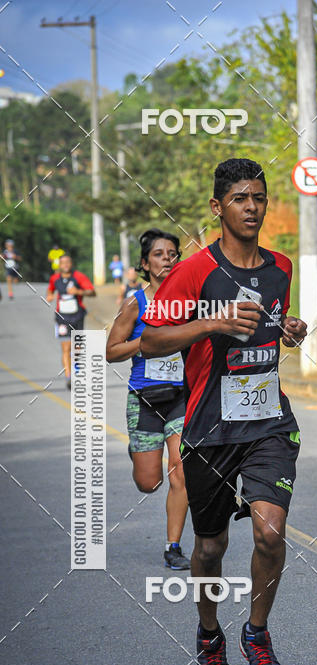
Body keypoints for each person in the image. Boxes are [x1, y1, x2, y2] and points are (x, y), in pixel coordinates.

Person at [140, 158, 307, 665]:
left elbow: (272, 325)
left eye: (258, 197)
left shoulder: (280, 266)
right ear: (218, 207)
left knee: (270, 531)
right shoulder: (194, 272)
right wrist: (213, 321)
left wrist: (290, 330)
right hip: (210, 430)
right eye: (240, 198)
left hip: (268, 422)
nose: (251, 207)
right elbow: (151, 341)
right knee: (210, 549)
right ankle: (209, 635)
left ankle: (256, 633)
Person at [106, 229, 191, 571]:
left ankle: (173, 546)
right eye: (159, 254)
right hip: (144, 400)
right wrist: (146, 343)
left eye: (172, 253)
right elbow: (111, 351)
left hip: (181, 398)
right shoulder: (135, 303)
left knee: (180, 472)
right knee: (149, 482)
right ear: (145, 263)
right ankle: (142, 453)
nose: (167, 258)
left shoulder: (190, 303)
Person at [46, 254, 95, 390]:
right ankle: (69, 376)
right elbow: (50, 290)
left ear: (71, 264)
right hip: (61, 317)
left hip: (78, 316)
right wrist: (49, 296)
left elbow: (92, 292)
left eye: (68, 262)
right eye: (63, 263)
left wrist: (78, 291)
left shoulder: (79, 277)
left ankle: (76, 368)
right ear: (59, 265)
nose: (65, 265)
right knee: (66, 348)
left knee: (77, 348)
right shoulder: (55, 278)